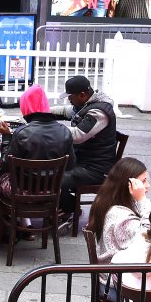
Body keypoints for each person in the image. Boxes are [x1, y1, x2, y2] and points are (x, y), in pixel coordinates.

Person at [52, 75, 118, 216]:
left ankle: (71, 209)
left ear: (82, 95)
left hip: (95, 169)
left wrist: (50, 130)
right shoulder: (84, 106)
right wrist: (40, 112)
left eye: (71, 97)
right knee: (49, 169)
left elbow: (78, 135)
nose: (69, 100)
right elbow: (64, 111)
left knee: (51, 178)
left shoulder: (99, 112)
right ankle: (62, 207)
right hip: (82, 161)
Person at [0, 84, 76, 195]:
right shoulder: (65, 132)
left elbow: (5, 164)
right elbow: (70, 165)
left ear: (25, 106)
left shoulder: (22, 133)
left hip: (23, 191)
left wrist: (6, 137)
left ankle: (4, 210)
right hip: (52, 190)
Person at [85, 157, 151, 268]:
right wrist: (142, 200)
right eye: (143, 181)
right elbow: (149, 236)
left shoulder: (110, 201)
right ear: (129, 185)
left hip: (118, 272)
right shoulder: (120, 216)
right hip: (117, 279)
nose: (148, 185)